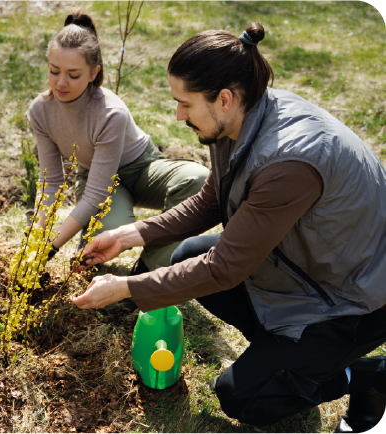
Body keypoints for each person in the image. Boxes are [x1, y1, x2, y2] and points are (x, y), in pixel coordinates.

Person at [71, 23, 386, 433]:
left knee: (243, 396)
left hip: (353, 298)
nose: (178, 115)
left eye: (185, 104)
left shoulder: (288, 162)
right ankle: (292, 363)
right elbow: (211, 202)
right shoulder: (239, 119)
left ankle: (368, 375)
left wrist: (127, 287)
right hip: (304, 269)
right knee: (188, 254)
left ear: (223, 98)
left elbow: (225, 268)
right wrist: (129, 235)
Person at [28, 10, 209, 272]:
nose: (61, 82)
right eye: (54, 71)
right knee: (102, 240)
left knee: (197, 179)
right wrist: (35, 242)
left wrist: (51, 247)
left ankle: (148, 273)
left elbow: (95, 196)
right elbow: (51, 183)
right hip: (97, 177)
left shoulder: (111, 113)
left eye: (74, 74)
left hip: (141, 170)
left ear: (94, 73)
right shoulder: (40, 111)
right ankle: (89, 264)